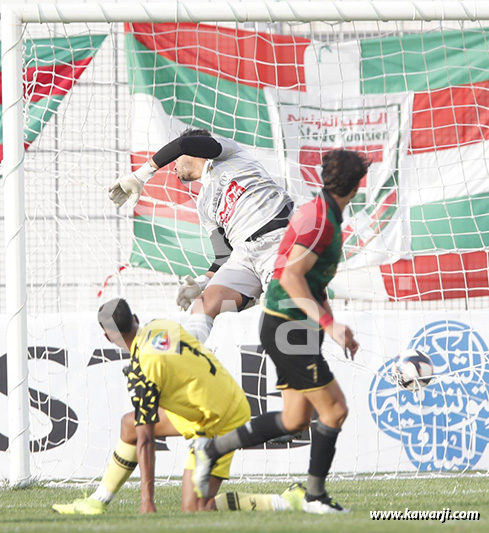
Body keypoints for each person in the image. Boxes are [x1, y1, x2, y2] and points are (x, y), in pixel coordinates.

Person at [190, 150, 370, 514]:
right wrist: (330, 325)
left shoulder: (320, 213)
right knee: (334, 411)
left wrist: (330, 321)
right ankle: (315, 498)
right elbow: (290, 277)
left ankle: (212, 448)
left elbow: (311, 281)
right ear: (357, 185)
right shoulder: (320, 219)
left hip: (292, 323)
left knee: (295, 420)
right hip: (289, 326)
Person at [52, 298, 303, 515]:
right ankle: (98, 501)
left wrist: (147, 501)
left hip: (218, 420)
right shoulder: (161, 326)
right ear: (136, 319)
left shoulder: (143, 370)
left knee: (195, 508)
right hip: (215, 401)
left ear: (108, 336)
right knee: (130, 425)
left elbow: (147, 439)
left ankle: (285, 502)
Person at [108, 129, 294, 343]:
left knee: (280, 317)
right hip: (243, 258)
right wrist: (201, 283)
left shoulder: (231, 154)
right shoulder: (203, 203)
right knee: (204, 304)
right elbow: (223, 257)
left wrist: (140, 176)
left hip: (277, 242)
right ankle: (187, 360)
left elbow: (182, 145)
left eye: (174, 161)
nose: (173, 167)